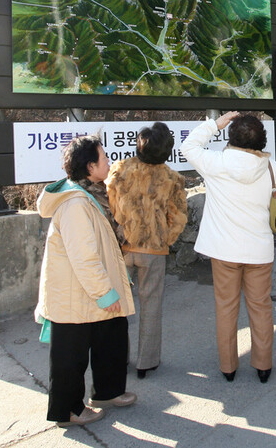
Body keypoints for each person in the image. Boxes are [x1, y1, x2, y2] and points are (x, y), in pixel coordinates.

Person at [180, 112, 276, 384]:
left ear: (230, 136)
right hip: (258, 251)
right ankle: (263, 365)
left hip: (224, 251)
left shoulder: (216, 163)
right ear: (262, 140)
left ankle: (228, 367)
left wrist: (214, 124)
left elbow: (188, 147)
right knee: (261, 307)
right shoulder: (269, 166)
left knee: (226, 307)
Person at [35, 135, 137, 428]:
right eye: (104, 158)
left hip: (94, 287)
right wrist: (105, 293)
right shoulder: (76, 204)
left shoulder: (93, 193)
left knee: (112, 338)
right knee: (71, 358)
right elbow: (84, 258)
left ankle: (108, 392)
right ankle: (68, 411)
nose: (109, 162)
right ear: (90, 166)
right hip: (77, 292)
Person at [106, 122, 188, 380]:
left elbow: (109, 204)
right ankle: (146, 362)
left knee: (117, 308)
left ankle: (116, 359)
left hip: (121, 247)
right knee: (151, 305)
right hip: (154, 250)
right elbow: (179, 217)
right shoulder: (172, 178)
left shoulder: (120, 170)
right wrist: (165, 239)